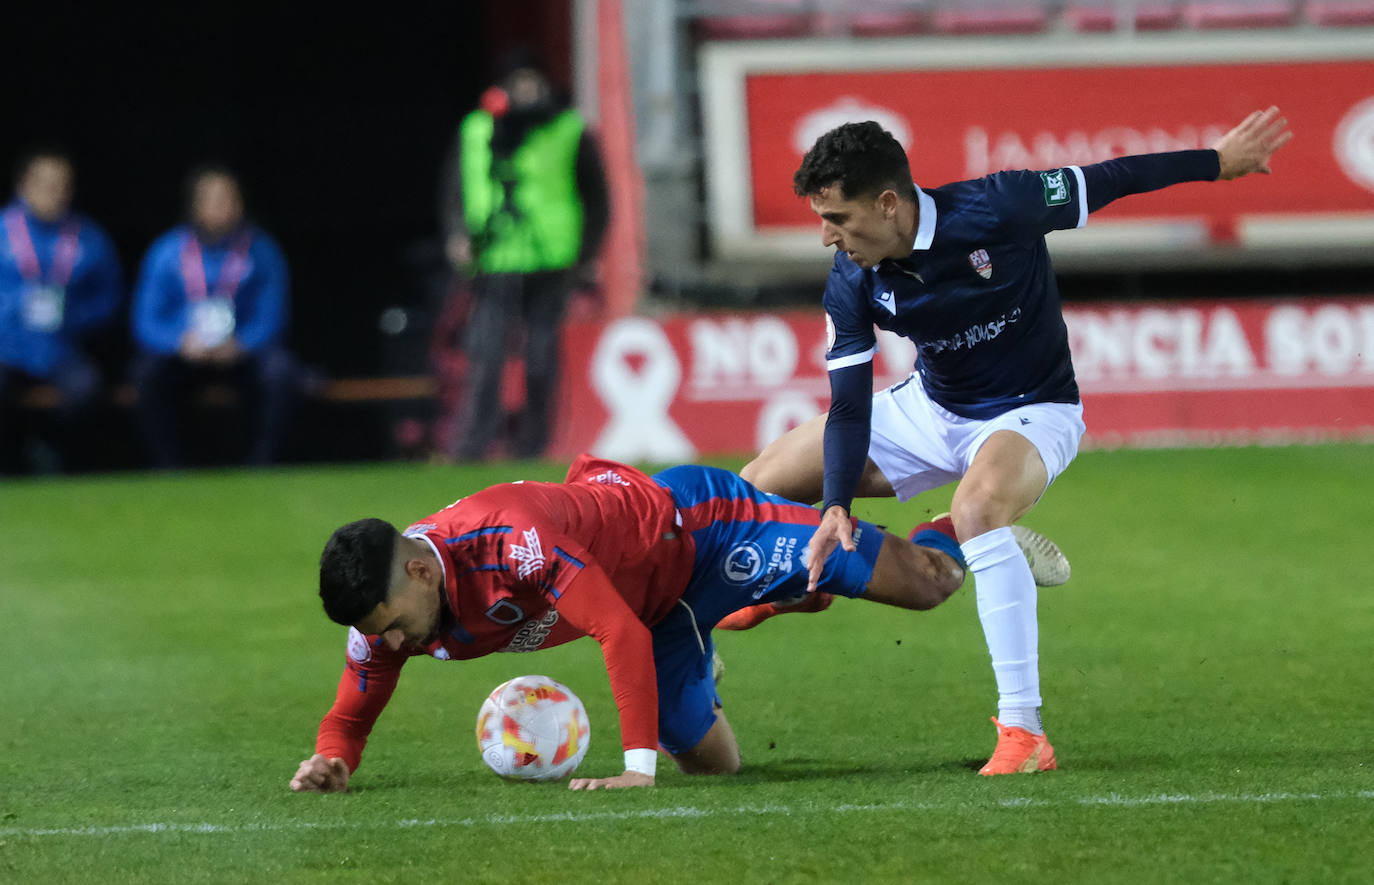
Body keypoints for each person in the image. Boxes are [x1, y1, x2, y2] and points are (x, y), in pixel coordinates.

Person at [739, 107, 1293, 774]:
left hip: (1034, 411)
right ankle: (791, 585)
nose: (828, 237)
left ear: (888, 204)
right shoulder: (852, 279)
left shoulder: (1000, 206)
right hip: (932, 407)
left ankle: (1024, 733)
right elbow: (850, 406)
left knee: (979, 509)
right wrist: (834, 504)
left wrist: (1215, 162)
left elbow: (1110, 177)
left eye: (839, 219)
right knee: (753, 484)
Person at [290, 454, 1065, 792]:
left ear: (422, 571)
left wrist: (635, 765)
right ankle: (768, 602)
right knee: (719, 767)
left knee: (928, 589)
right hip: (658, 608)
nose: (391, 645)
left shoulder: (513, 537)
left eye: (393, 625)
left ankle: (953, 532)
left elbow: (614, 634)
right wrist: (333, 759)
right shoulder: (385, 612)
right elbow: (349, 714)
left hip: (704, 530)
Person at [437, 47, 609, 461]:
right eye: (519, 83)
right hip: (493, 258)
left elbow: (598, 198)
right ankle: (469, 449)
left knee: (540, 360)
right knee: (485, 358)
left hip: (551, 261)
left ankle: (532, 447)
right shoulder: (478, 129)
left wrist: (586, 254)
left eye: (534, 81)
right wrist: (457, 234)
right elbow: (454, 189)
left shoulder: (569, 129)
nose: (527, 91)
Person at [130, 164, 298, 467]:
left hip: (240, 355)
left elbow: (273, 314)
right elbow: (146, 320)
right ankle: (169, 468)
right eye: (213, 199)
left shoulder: (262, 251)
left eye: (229, 198)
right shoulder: (167, 251)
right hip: (186, 355)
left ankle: (264, 466)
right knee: (146, 374)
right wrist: (179, 342)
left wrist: (241, 345)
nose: (222, 207)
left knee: (280, 371)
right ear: (194, 205)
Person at [0, 148, 122, 471]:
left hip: (62, 349)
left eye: (62, 185)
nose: (55, 193)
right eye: (45, 184)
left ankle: (62, 461)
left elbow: (109, 298)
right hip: (6, 348)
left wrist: (73, 317)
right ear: (23, 186)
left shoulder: (89, 238)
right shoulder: (3, 231)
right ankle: (11, 462)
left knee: (86, 390)